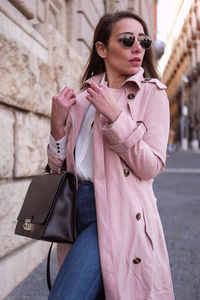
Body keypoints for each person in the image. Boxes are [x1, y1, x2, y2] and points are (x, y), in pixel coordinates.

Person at [47, 10, 174, 300]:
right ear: (102, 49)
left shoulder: (153, 95)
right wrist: (57, 126)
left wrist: (116, 117)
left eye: (143, 41)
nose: (138, 47)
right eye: (127, 39)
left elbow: (150, 166)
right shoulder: (81, 100)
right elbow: (58, 169)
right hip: (74, 211)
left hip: (119, 214)